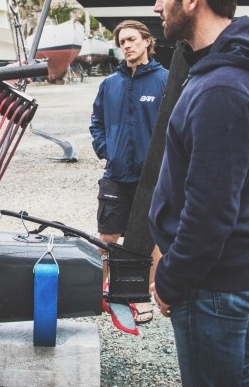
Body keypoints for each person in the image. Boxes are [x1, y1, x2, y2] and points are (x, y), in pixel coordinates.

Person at [148, 0, 249, 386]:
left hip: (211, 283)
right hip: (229, 274)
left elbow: (211, 211)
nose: (156, 5)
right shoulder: (231, 69)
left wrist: (171, 278)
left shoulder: (221, 87)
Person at [90, 19, 168, 324]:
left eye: (132, 40)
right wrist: (106, 148)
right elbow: (96, 121)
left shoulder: (165, 81)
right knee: (107, 235)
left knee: (150, 239)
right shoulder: (110, 84)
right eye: (122, 41)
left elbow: (177, 126)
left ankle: (146, 295)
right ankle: (97, 290)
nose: (127, 46)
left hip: (153, 178)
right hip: (116, 173)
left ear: (147, 42)